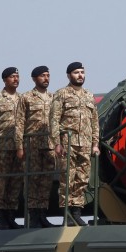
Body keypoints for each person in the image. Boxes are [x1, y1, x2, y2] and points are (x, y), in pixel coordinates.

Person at [50, 61, 100, 226]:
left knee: (82, 179)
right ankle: (67, 215)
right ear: (69, 75)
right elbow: (54, 120)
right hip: (67, 143)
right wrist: (57, 143)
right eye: (77, 72)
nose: (80, 75)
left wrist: (95, 144)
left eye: (82, 72)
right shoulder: (62, 94)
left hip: (85, 144)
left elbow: (95, 122)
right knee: (67, 179)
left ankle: (76, 212)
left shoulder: (88, 95)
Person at [15, 65, 55, 228]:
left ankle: (42, 214)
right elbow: (18, 123)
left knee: (46, 180)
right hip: (32, 145)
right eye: (42, 76)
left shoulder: (53, 98)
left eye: (48, 75)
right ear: (34, 79)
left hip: (49, 144)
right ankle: (33, 215)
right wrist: (19, 146)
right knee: (32, 180)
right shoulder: (26, 98)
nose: (46, 78)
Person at [0, 67, 22, 229]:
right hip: (3, 147)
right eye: (12, 77)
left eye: (17, 76)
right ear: (5, 80)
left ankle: (11, 215)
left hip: (18, 147)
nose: (16, 79)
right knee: (2, 182)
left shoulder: (22, 99)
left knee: (15, 182)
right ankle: (1, 216)